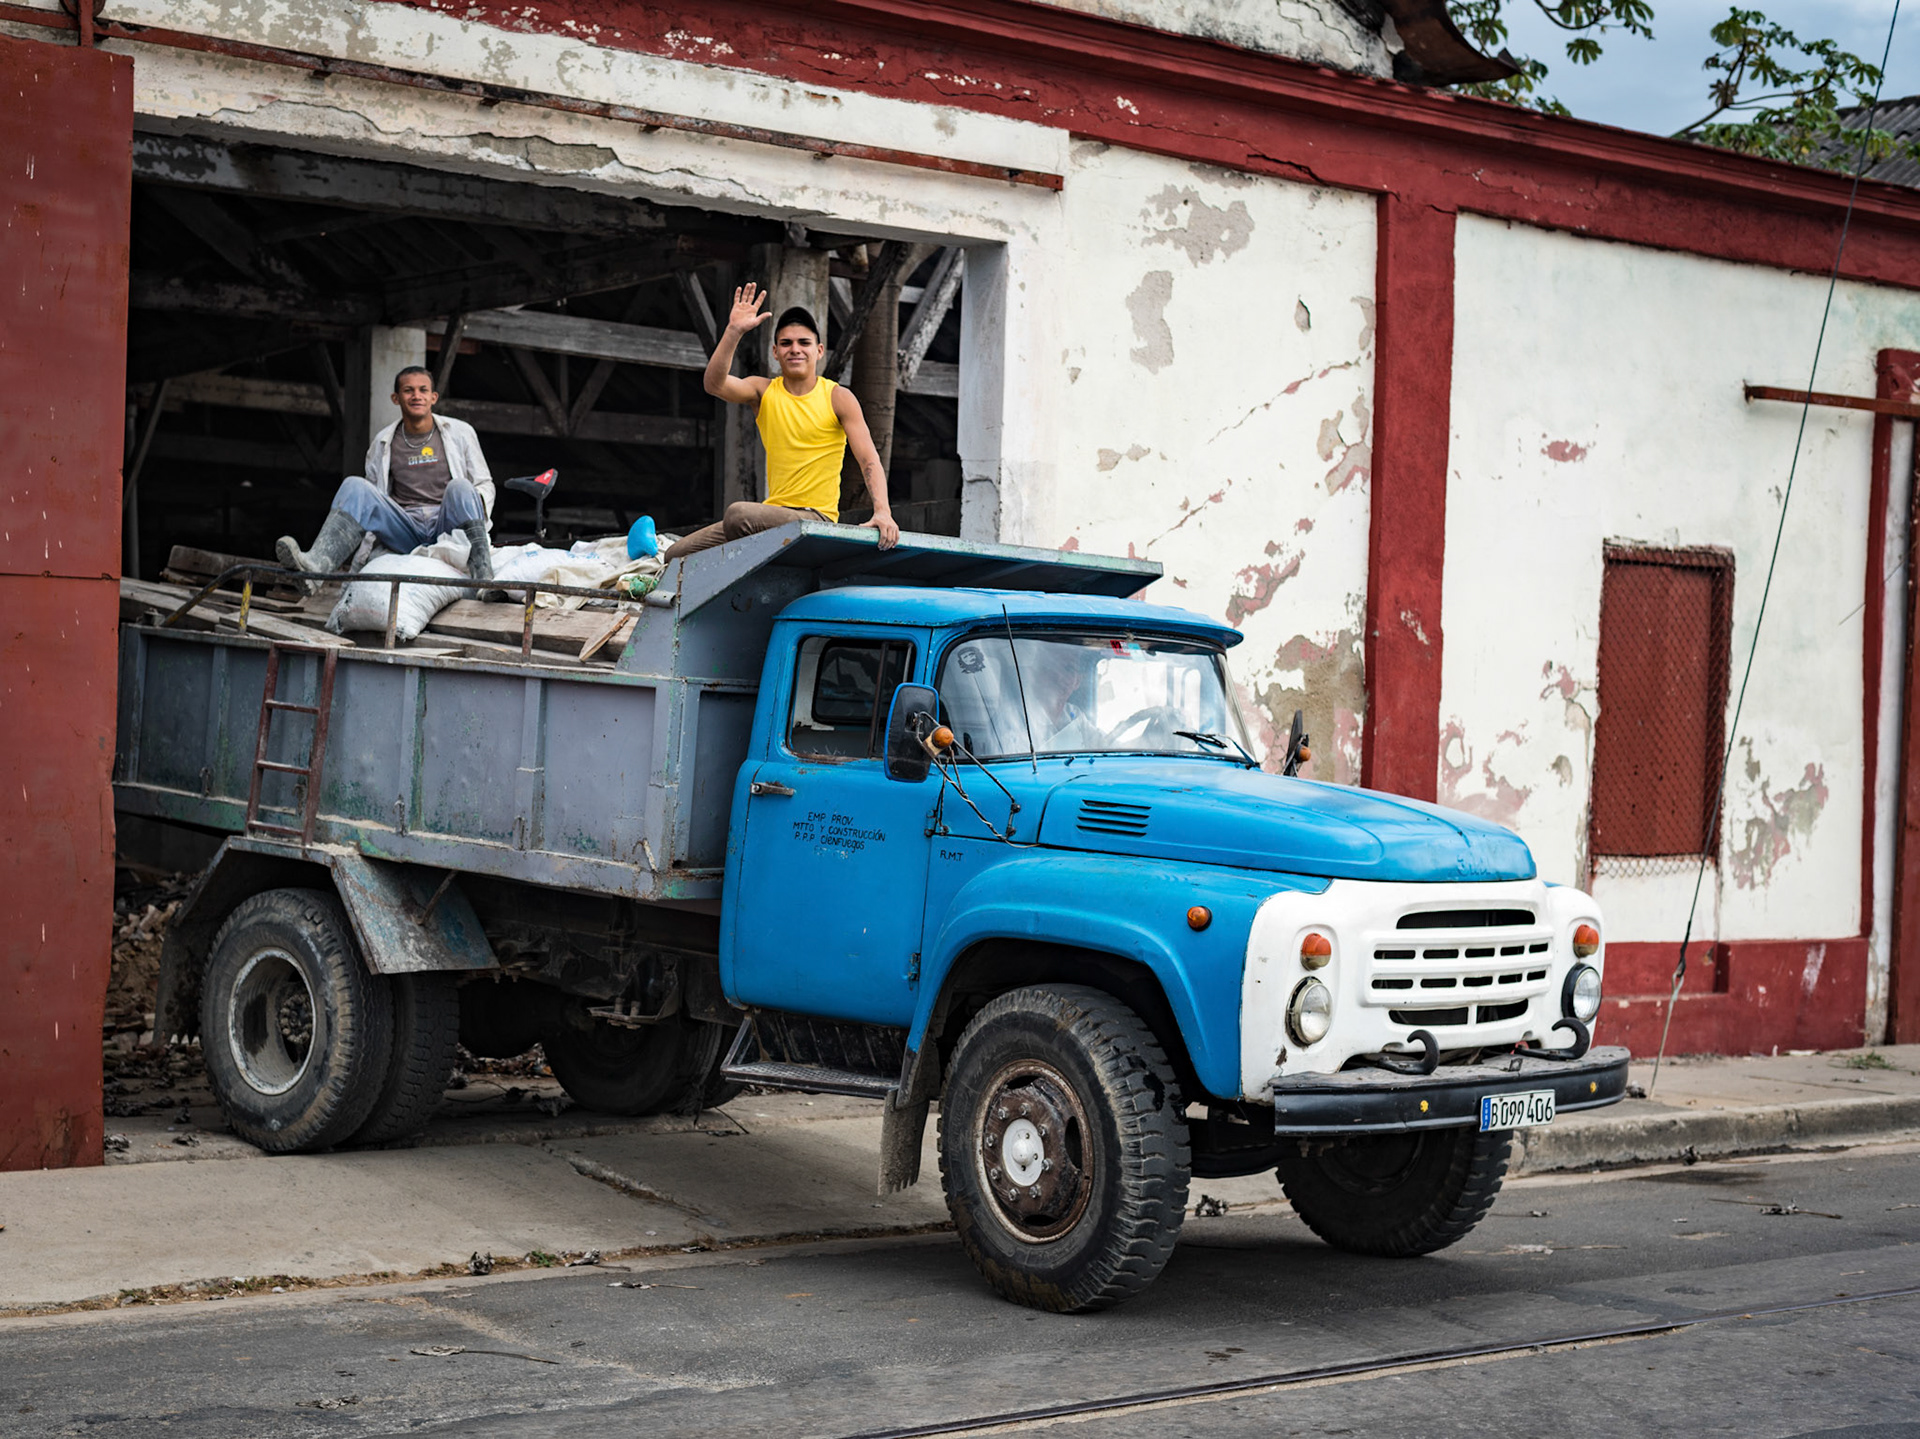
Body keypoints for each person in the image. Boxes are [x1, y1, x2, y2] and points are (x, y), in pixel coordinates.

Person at [663, 284, 900, 561]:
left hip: (816, 520)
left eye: (804, 343)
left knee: (738, 515)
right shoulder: (763, 391)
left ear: (819, 350)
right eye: (786, 344)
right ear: (775, 352)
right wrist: (734, 331)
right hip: (771, 516)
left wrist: (883, 511)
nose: (795, 350)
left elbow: (868, 458)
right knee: (675, 555)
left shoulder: (838, 397)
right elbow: (714, 385)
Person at [277, 366, 496, 585]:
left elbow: (484, 484)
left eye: (423, 390)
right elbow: (371, 503)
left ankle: (483, 578)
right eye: (408, 390)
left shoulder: (460, 432)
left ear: (433, 397)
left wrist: (474, 515)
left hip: (446, 524)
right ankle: (316, 569)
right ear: (396, 398)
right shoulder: (383, 442)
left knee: (461, 486)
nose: (416, 396)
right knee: (354, 485)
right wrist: (359, 564)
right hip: (405, 529)